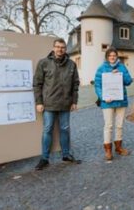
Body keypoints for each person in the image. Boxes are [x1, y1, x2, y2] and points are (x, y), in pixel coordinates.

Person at [33, 38, 80, 170]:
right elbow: (37, 84)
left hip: (65, 103)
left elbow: (75, 84)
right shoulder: (44, 63)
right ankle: (44, 158)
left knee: (65, 129)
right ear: (54, 48)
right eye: (58, 47)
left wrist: (74, 101)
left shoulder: (71, 64)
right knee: (47, 130)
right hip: (49, 104)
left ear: (65, 49)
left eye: (63, 47)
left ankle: (66, 154)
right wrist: (39, 102)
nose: (60, 49)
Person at [94, 47, 133, 160]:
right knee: (109, 125)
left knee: (119, 125)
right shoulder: (101, 68)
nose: (112, 57)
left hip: (121, 100)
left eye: (114, 56)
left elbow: (129, 81)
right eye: (110, 56)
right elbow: (97, 85)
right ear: (107, 57)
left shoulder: (122, 67)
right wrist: (103, 97)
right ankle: (108, 150)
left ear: (117, 57)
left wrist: (120, 74)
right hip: (107, 101)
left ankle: (118, 147)